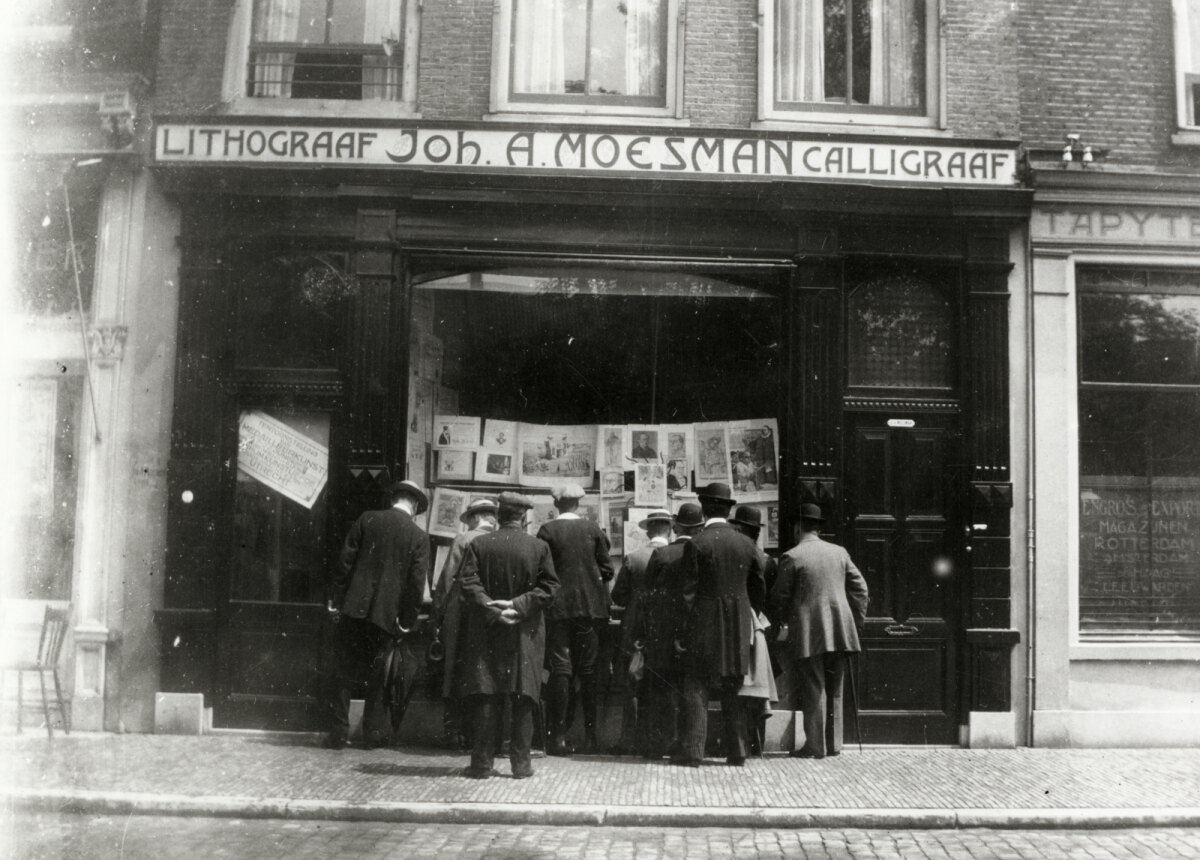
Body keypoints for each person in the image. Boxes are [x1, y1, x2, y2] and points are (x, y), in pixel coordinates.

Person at [452, 492, 559, 779]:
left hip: (487, 632)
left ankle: (481, 765)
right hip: (526, 634)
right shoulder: (538, 547)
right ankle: (521, 766)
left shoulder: (479, 544)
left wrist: (493, 608)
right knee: (524, 697)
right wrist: (518, 606)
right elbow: (550, 588)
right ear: (523, 518)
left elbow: (467, 582)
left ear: (499, 516)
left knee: (486, 696)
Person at [325, 479, 431, 750]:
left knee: (343, 671)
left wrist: (336, 601)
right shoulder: (418, 536)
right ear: (416, 504)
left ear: (393, 498)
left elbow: (344, 563)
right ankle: (372, 735)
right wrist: (406, 621)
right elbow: (416, 584)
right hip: (387, 616)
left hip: (353, 609)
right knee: (378, 674)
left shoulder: (366, 519)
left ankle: (338, 733)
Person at [673, 482, 765, 767]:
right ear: (729, 509)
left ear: (704, 507)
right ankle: (738, 751)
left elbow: (687, 595)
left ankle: (693, 752)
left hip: (703, 626)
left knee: (696, 685)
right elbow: (758, 589)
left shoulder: (697, 543)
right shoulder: (747, 544)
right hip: (738, 626)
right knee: (733, 687)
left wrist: (682, 632)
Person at [769, 503, 869, 759]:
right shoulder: (839, 552)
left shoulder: (793, 556)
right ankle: (834, 744)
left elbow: (779, 597)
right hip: (841, 630)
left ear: (797, 527)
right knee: (835, 686)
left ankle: (815, 745)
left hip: (809, 632)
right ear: (817, 528)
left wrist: (779, 622)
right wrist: (854, 622)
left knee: (814, 686)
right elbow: (861, 590)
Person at [537, 483, 615, 755]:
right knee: (590, 671)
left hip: (558, 611)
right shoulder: (593, 529)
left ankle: (556, 738)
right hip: (591, 612)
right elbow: (608, 571)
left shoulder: (547, 531)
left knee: (561, 669)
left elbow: (540, 572)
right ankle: (591, 738)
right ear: (578, 505)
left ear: (556, 505)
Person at [635, 501, 704, 759]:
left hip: (662, 633)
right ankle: (686, 745)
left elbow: (647, 596)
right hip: (692, 633)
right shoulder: (701, 551)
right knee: (691, 691)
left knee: (662, 691)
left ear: (676, 526)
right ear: (698, 528)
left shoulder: (661, 555)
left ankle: (661, 743)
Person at [431, 497, 499, 750]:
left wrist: (437, 616)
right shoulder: (498, 540)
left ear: (473, 518)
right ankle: (478, 735)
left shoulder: (464, 539)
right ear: (492, 518)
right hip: (489, 616)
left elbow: (447, 581)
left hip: (460, 615)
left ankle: (453, 733)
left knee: (453, 673)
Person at [610, 508, 672, 755]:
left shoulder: (634, 557)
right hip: (665, 630)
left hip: (634, 629)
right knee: (662, 685)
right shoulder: (676, 555)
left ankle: (629, 740)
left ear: (648, 530)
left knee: (632, 682)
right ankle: (658, 741)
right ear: (669, 528)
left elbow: (618, 595)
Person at [728, 505, 778, 756]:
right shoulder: (766, 559)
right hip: (759, 627)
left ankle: (742, 744)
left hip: (743, 625)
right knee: (758, 688)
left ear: (739, 528)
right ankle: (756, 744)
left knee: (741, 685)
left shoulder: (740, 554)